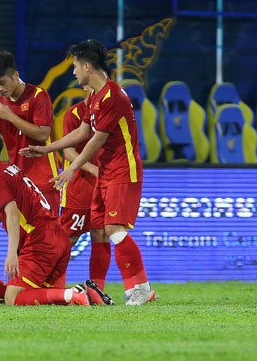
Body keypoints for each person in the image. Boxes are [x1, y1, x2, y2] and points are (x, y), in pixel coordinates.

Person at [20, 40, 156, 306]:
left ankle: (141, 287)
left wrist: (72, 167)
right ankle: (117, 288)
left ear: (86, 66)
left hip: (123, 170)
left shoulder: (112, 96)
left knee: (113, 229)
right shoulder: (95, 96)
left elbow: (97, 139)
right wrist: (47, 149)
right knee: (102, 231)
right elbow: (83, 132)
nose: (73, 72)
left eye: (74, 66)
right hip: (107, 172)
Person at [0, 126, 113, 306]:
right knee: (49, 298)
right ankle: (86, 292)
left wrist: (12, 254)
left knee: (12, 298)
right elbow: (1, 212)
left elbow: (11, 214)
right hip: (59, 237)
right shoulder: (9, 169)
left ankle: (74, 293)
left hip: (41, 241)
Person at [0, 50, 60, 215]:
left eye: (2, 82)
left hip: (44, 180)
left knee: (47, 229)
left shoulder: (38, 96)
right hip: (15, 181)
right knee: (16, 229)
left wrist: (11, 117)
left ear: (15, 75)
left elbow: (43, 134)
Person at [59, 85, 111, 291]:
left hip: (104, 187)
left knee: (101, 235)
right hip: (79, 188)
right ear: (86, 87)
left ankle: (98, 289)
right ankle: (51, 283)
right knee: (67, 239)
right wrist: (93, 169)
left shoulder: (110, 113)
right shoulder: (74, 114)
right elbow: (67, 151)